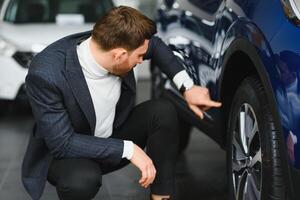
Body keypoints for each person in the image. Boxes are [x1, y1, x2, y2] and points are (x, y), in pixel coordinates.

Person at [21, 6, 221, 200]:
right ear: (119, 55)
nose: (142, 61)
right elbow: (62, 144)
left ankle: (161, 196)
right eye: (139, 57)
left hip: (112, 133)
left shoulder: (121, 41)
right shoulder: (46, 74)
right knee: (81, 181)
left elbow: (156, 45)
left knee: (163, 111)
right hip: (71, 153)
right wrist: (129, 149)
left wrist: (188, 87)